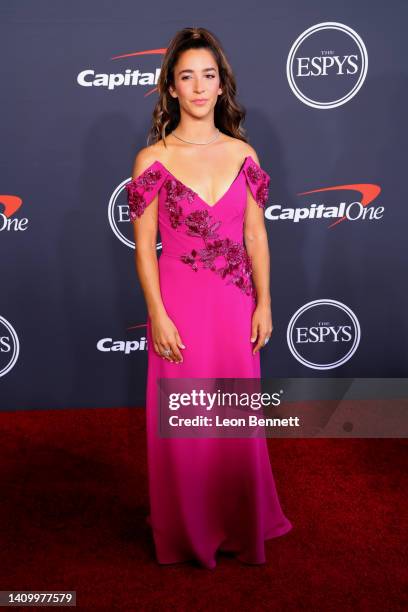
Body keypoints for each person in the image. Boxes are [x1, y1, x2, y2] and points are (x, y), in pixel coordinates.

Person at [126, 26, 292, 569]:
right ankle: (187, 526)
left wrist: (265, 303)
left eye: (209, 76)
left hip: (234, 306)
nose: (199, 87)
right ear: (170, 88)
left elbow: (255, 235)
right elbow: (145, 248)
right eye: (186, 77)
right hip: (179, 308)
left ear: (222, 86)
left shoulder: (245, 152)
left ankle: (239, 522)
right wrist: (157, 315)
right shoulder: (152, 159)